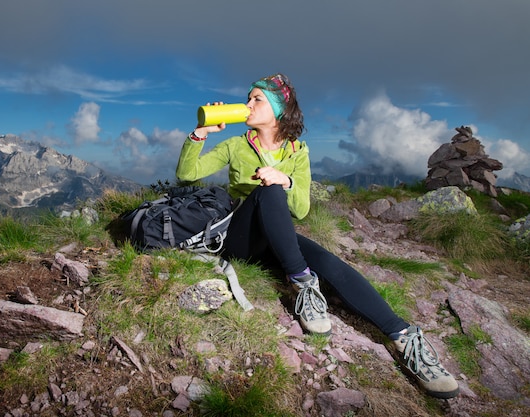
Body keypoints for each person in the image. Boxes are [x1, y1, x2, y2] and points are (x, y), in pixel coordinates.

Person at [175, 73, 459, 399]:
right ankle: (302, 283)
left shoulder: (298, 153)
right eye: (248, 98)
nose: (248, 105)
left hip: (274, 238)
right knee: (267, 195)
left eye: (257, 99)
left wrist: (285, 180)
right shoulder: (236, 145)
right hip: (241, 237)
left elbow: (301, 209)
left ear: (280, 110)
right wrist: (201, 133)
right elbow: (186, 174)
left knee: (327, 261)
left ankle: (403, 334)